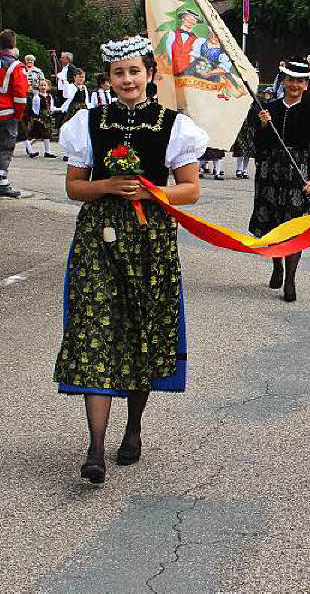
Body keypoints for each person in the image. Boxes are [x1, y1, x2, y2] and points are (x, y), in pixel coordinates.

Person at [55, 35, 208, 484]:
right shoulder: (88, 121)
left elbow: (191, 190)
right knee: (95, 327)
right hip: (97, 239)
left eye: (134, 71)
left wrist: (150, 190)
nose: (127, 80)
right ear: (109, 79)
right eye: (119, 73)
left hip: (149, 239)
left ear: (149, 76)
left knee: (144, 327)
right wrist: (106, 186)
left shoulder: (172, 125)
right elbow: (74, 186)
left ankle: (134, 427)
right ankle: (95, 447)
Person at [249, 60, 310, 302]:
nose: (295, 85)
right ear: (283, 81)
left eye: (300, 81)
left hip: (300, 172)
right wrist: (263, 125)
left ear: (306, 84)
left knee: (294, 226)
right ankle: (277, 266)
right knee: (273, 223)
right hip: (272, 172)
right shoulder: (269, 108)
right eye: (290, 80)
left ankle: (291, 279)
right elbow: (259, 146)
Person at [0, 29, 30, 198]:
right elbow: (20, 95)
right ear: (14, 44)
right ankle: (2, 183)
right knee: (5, 148)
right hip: (7, 113)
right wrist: (19, 114)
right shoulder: (16, 66)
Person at [23, 77, 57, 158]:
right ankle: (29, 148)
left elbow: (51, 107)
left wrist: (60, 109)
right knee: (35, 133)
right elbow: (35, 109)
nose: (43, 87)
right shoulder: (37, 97)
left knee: (47, 134)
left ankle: (47, 152)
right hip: (40, 117)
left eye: (45, 85)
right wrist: (37, 117)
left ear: (48, 87)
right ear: (38, 86)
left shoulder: (49, 96)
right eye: (41, 85)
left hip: (47, 117)